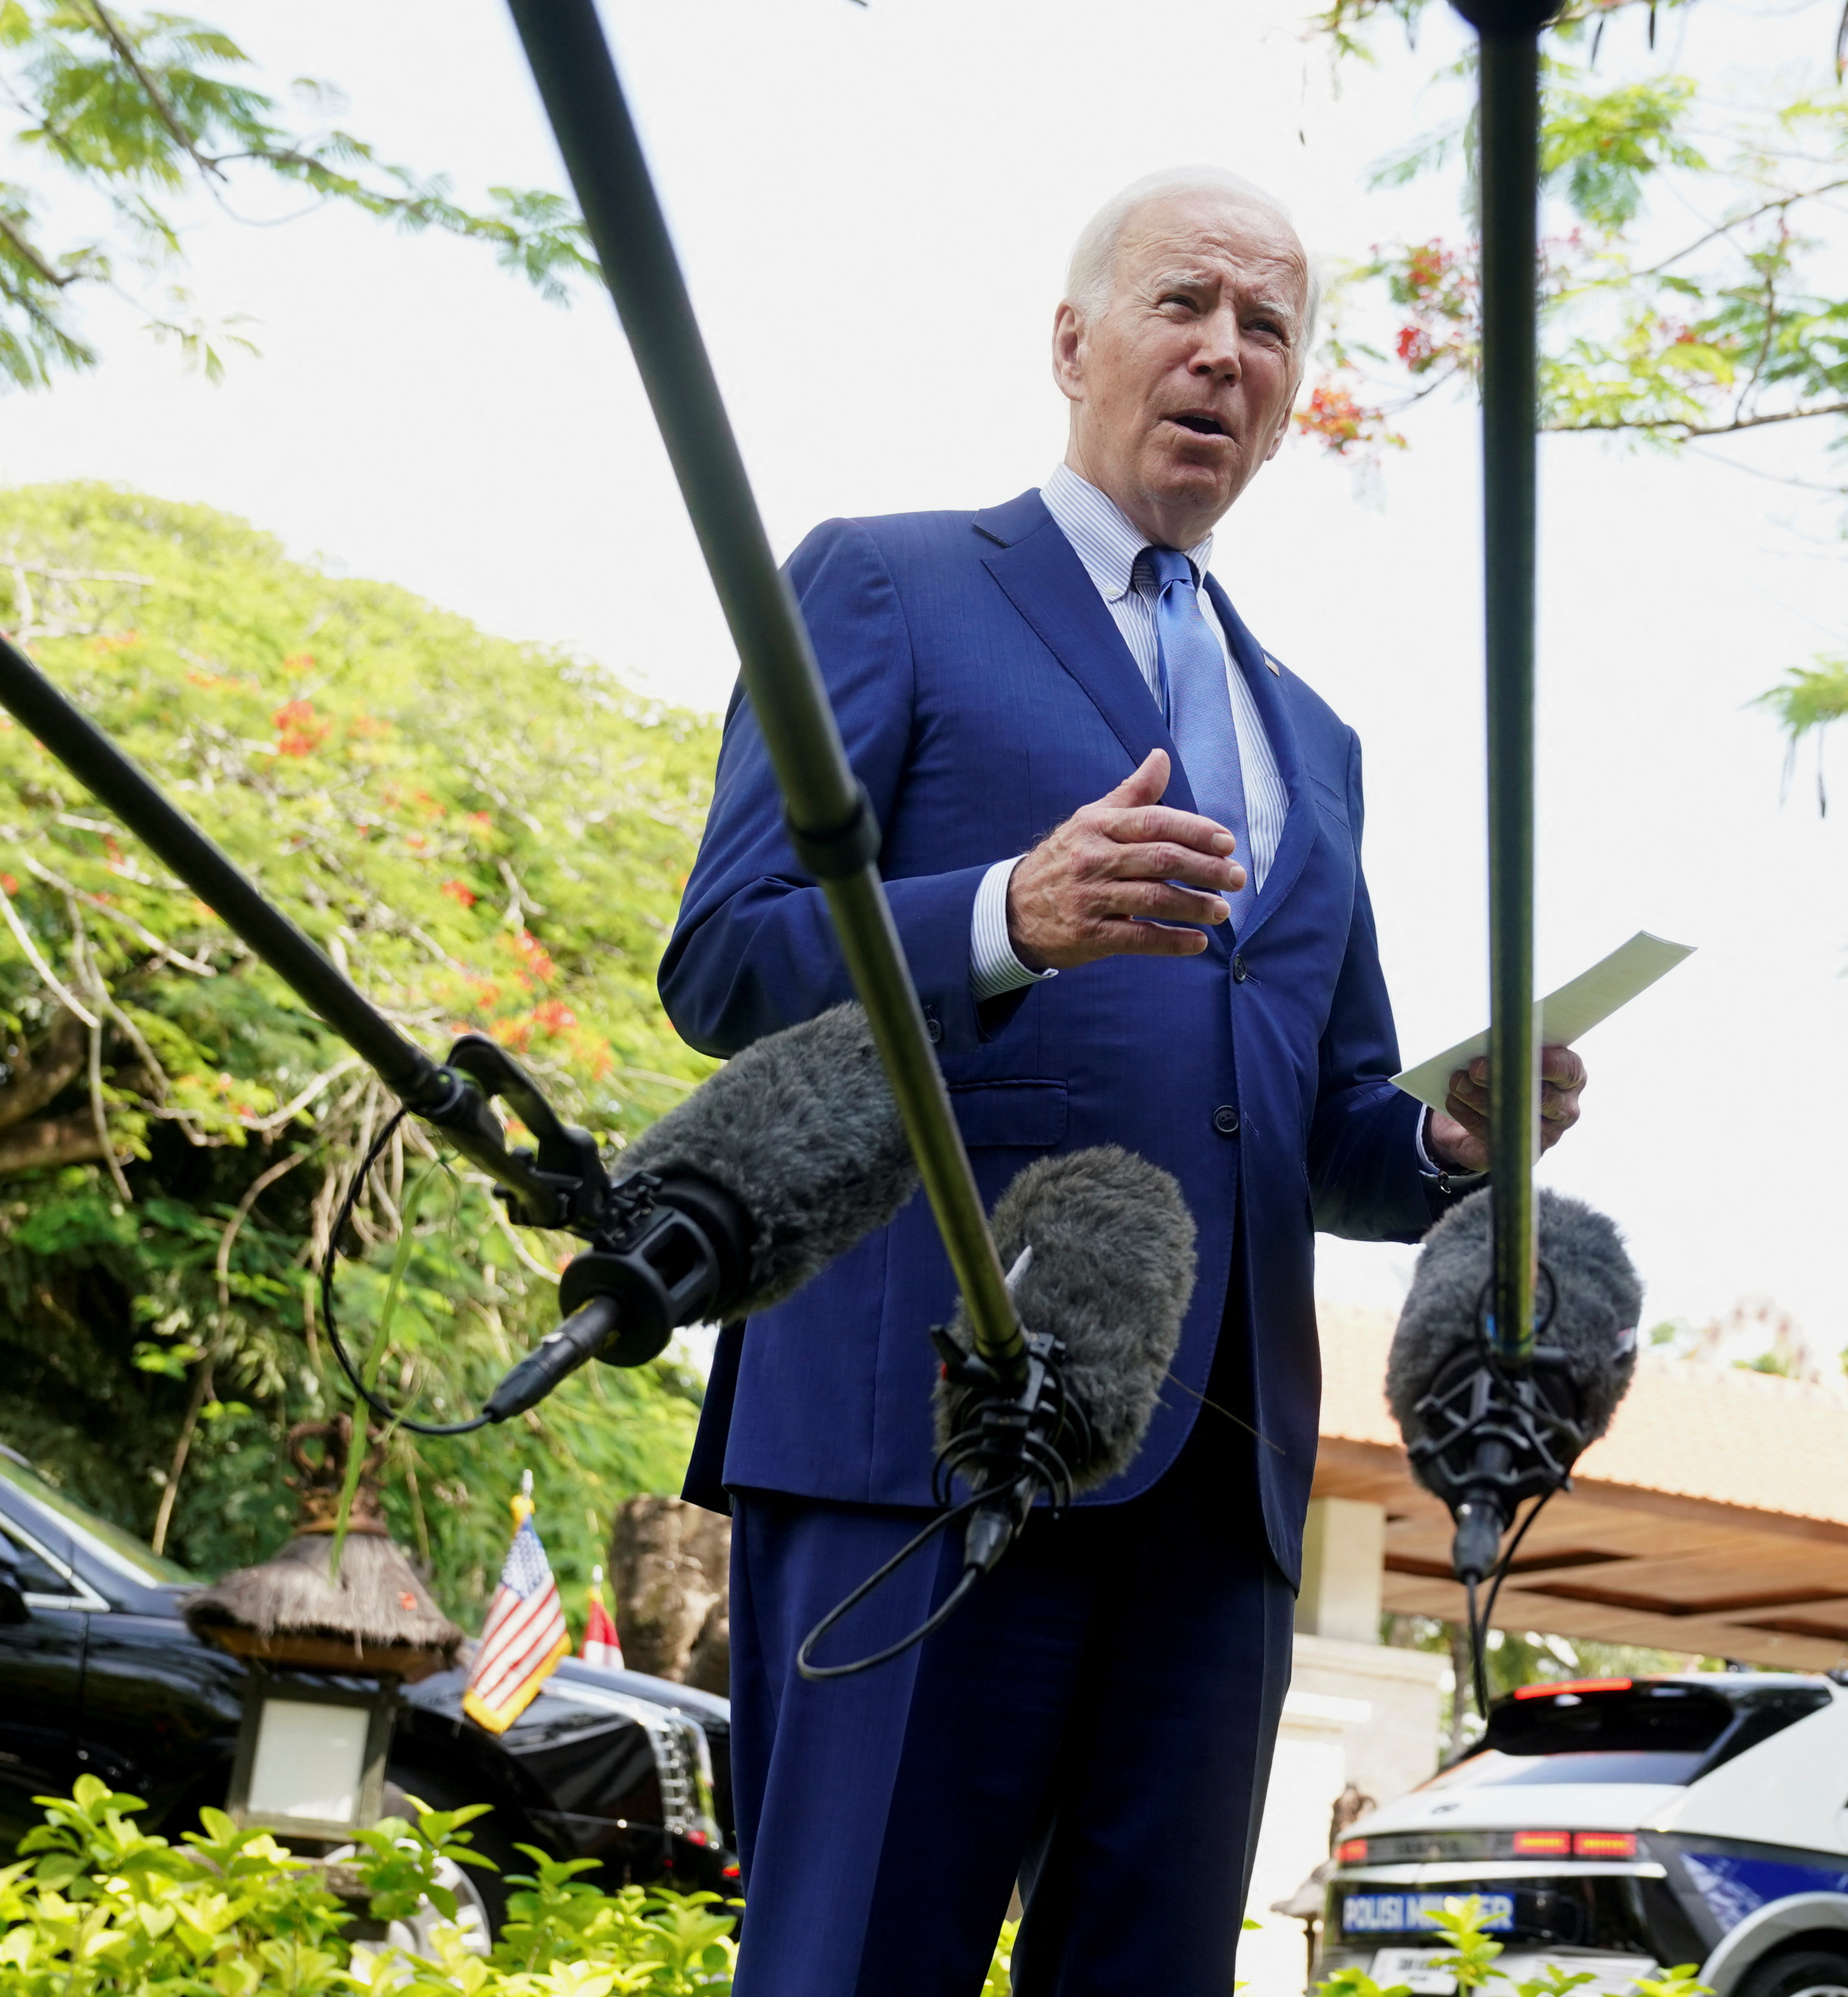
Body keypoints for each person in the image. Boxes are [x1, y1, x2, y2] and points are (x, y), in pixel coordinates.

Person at [656, 165, 1590, 1995]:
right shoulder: (887, 582)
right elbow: (726, 959)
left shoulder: (1313, 738)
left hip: (1214, 1493)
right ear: (1072, 341)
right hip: (929, 1431)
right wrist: (1007, 913)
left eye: (1269, 327)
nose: (1226, 352)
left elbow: (1317, 1122)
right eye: (1185, 304)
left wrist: (1448, 1136)